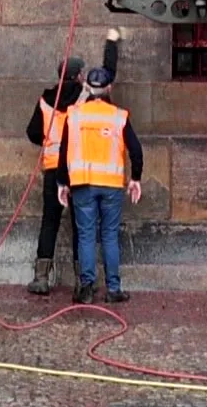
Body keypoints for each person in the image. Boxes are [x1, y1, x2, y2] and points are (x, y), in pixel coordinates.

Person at [24, 27, 121, 295]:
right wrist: (111, 43)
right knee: (83, 227)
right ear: (79, 76)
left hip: (52, 168)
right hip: (77, 171)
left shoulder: (45, 99)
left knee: (50, 222)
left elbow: (33, 132)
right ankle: (82, 280)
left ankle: (41, 277)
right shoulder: (84, 97)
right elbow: (107, 78)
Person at [52, 66, 144, 305]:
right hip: (112, 185)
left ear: (88, 88)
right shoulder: (118, 116)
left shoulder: (75, 115)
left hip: (82, 184)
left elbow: (64, 151)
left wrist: (62, 182)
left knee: (85, 235)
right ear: (109, 88)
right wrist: (135, 179)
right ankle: (113, 289)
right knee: (110, 235)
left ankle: (86, 289)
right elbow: (135, 150)